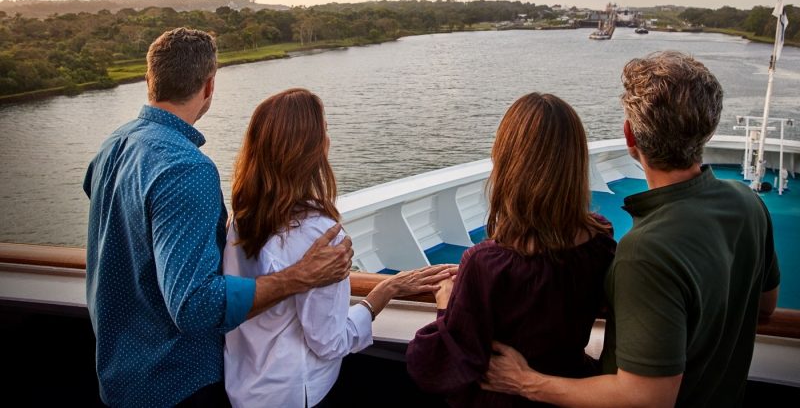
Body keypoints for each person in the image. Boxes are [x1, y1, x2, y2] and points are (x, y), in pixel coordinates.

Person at [482, 51, 781, 407]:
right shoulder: (747, 203)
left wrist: (527, 383)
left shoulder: (645, 251)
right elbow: (765, 306)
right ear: (709, 128)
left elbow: (646, 399)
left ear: (629, 135)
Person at [84, 28, 354, 408]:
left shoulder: (115, 144)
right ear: (209, 86)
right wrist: (301, 276)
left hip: (117, 372)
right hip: (174, 382)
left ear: (150, 79)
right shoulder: (184, 168)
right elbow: (194, 306)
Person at [222, 88, 454, 408]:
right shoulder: (321, 235)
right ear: (311, 149)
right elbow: (329, 343)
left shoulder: (240, 219)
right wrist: (384, 291)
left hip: (245, 387)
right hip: (295, 393)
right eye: (325, 131)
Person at [405, 92, 616, 406]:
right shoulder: (600, 239)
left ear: (507, 162)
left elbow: (436, 364)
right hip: (570, 390)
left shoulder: (484, 264)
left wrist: (447, 305)